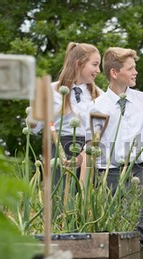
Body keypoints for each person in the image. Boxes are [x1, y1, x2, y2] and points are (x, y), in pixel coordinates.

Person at [85, 47, 143, 245]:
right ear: (114, 72)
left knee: (137, 222)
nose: (136, 72)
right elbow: (91, 145)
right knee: (110, 223)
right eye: (130, 68)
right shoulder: (96, 106)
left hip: (137, 172)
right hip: (107, 173)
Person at [26, 42, 103, 192]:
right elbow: (34, 128)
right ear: (79, 64)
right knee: (59, 200)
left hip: (89, 151)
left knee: (84, 202)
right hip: (59, 150)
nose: (98, 70)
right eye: (94, 64)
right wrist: (34, 114)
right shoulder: (50, 90)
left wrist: (86, 152)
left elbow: (102, 130)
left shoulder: (100, 96)